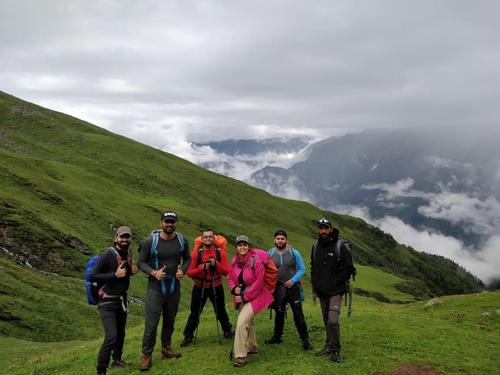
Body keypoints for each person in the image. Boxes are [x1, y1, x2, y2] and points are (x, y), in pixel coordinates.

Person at [137, 211, 190, 371]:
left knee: (170, 320)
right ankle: (146, 354)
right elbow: (140, 262)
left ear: (176, 224)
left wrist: (183, 271)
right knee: (151, 324)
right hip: (156, 287)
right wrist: (154, 273)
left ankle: (166, 347)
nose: (169, 225)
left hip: (174, 287)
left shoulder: (182, 240)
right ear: (161, 223)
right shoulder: (150, 241)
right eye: (166, 222)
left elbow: (188, 258)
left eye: (172, 222)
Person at [90, 226, 138, 375]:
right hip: (107, 302)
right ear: (115, 238)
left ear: (130, 239)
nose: (124, 240)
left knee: (121, 333)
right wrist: (114, 275)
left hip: (121, 300)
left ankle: (117, 360)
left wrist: (131, 271)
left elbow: (125, 274)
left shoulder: (128, 252)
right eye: (121, 237)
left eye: (127, 237)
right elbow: (93, 276)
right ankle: (101, 371)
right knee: (111, 337)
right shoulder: (107, 255)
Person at [311, 217, 355, 363]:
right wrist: (315, 283)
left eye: (325, 227)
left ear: (331, 229)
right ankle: (329, 345)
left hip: (336, 291)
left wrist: (336, 282)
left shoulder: (339, 246)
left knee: (332, 321)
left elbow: (349, 268)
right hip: (322, 292)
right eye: (321, 228)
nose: (323, 230)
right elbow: (314, 266)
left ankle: (335, 349)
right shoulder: (316, 245)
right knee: (326, 320)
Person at [227, 235, 274, 367]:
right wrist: (234, 288)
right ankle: (252, 347)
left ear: (249, 246)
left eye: (245, 245)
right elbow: (230, 277)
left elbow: (259, 282)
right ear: (236, 247)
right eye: (240, 245)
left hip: (257, 296)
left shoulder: (256, 260)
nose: (242, 247)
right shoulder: (235, 261)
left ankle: (240, 355)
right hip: (241, 295)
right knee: (249, 321)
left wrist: (244, 297)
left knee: (241, 323)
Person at [180, 230, 233, 346]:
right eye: (205, 237)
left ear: (214, 238)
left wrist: (216, 265)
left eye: (210, 237)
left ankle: (227, 330)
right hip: (199, 286)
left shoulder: (220, 253)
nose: (208, 238)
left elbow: (227, 271)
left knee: (220, 310)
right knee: (195, 312)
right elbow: (189, 273)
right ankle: (188, 336)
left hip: (216, 285)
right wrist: (202, 267)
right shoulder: (196, 254)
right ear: (202, 239)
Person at [266, 229, 312, 350]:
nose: (280, 241)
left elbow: (302, 269)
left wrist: (293, 280)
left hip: (293, 288)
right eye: (278, 239)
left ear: (286, 240)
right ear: (274, 240)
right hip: (277, 288)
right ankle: (277, 336)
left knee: (298, 314)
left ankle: (305, 339)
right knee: (279, 312)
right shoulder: (269, 253)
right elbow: (264, 269)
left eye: (282, 239)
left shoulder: (294, 252)